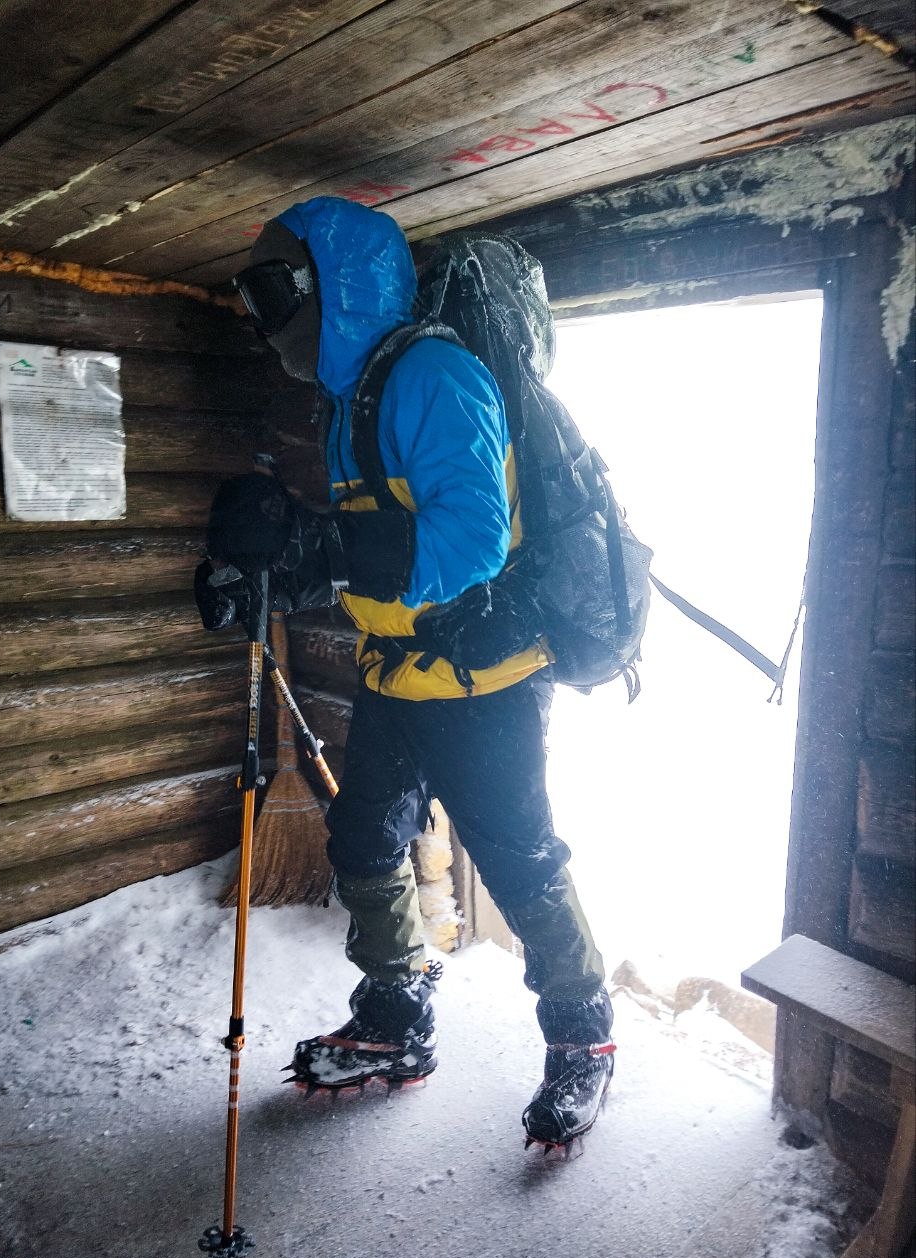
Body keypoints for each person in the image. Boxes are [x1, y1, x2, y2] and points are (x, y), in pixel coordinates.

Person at [204, 195, 614, 1149]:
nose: (264, 321)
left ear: (334, 286)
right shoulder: (351, 398)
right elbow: (370, 548)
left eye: (274, 292)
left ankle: (583, 1036)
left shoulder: (433, 374)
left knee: (518, 859)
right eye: (252, 298)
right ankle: (398, 1009)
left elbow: (470, 541)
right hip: (396, 675)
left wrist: (323, 549)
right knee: (362, 838)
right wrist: (271, 572)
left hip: (486, 681)